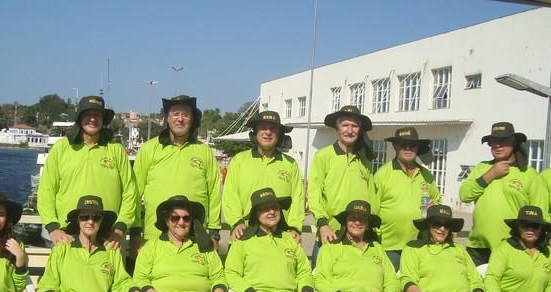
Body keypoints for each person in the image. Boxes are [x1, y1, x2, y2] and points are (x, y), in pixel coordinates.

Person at [38, 95, 137, 248]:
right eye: (88, 114)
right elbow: (46, 190)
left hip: (109, 237)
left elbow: (130, 192)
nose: (92, 119)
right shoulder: (61, 148)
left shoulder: (116, 150)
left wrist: (120, 228)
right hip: (66, 235)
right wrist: (53, 228)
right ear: (79, 118)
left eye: (97, 115)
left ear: (103, 120)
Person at [132, 95, 221, 252]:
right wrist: (134, 233)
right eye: (175, 114)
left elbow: (214, 192)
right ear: (167, 118)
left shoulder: (204, 151)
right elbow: (134, 192)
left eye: (185, 115)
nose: (180, 119)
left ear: (192, 119)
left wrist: (214, 232)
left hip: (195, 234)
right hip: (155, 235)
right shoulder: (148, 149)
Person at [459, 122, 548, 266]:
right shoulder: (482, 167)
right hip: (478, 247)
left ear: (514, 143)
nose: (498, 146)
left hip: (512, 246)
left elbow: (540, 211)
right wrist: (491, 174)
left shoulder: (529, 174)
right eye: (493, 142)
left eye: (503, 141)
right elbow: (464, 195)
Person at [223, 110, 304, 242]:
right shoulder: (239, 161)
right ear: (255, 133)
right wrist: (236, 222)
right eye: (263, 128)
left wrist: (294, 227)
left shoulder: (290, 164)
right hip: (244, 232)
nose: (268, 132)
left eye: (273, 129)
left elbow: (297, 198)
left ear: (280, 134)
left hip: (281, 236)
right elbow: (230, 195)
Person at [307, 105, 376, 261]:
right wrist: (322, 224)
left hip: (359, 235)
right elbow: (314, 193)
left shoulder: (365, 160)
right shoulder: (323, 156)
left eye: (354, 126)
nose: (349, 130)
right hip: (330, 233)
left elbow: (372, 196)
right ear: (337, 129)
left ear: (360, 130)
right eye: (345, 125)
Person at [374, 126, 441, 270]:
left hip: (420, 245)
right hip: (389, 247)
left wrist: (434, 208)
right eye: (403, 144)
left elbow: (437, 202)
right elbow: (373, 210)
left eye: (413, 145)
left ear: (418, 147)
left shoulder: (427, 175)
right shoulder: (382, 174)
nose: (408, 148)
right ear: (395, 146)